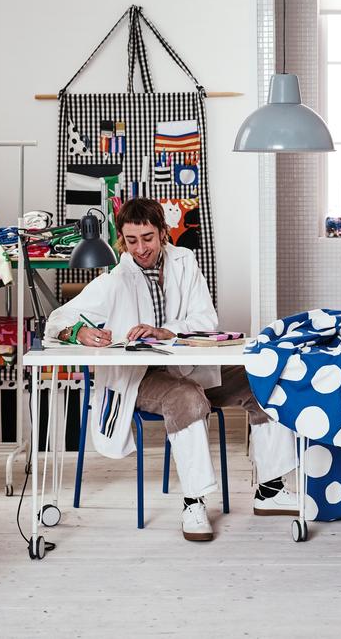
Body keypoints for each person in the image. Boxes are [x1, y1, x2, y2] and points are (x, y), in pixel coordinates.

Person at [44, 198, 299, 541]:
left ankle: (270, 490)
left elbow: (206, 319)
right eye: (131, 241)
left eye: (147, 238)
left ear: (163, 233)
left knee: (264, 381)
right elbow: (57, 319)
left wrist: (168, 331)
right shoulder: (115, 279)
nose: (140, 248)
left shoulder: (185, 262)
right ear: (121, 240)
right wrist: (77, 332)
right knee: (187, 397)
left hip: (190, 367)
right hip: (142, 380)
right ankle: (194, 502)